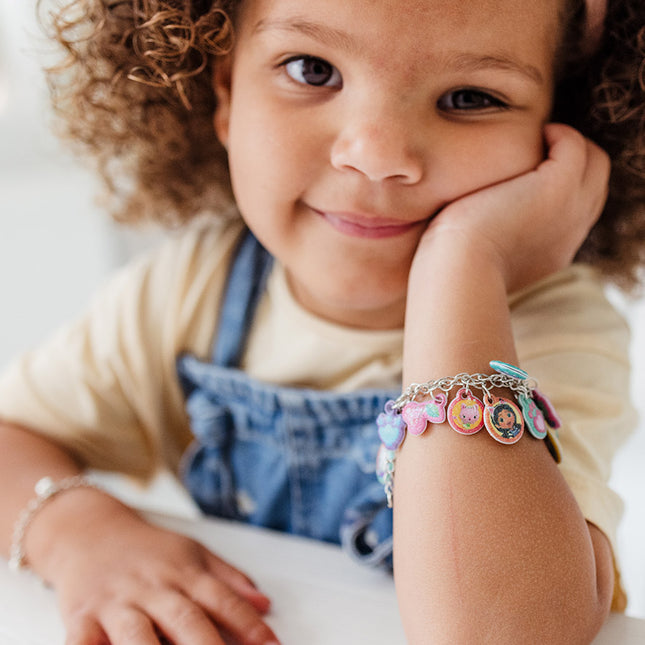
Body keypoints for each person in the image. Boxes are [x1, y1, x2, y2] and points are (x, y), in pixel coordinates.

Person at [1, 0, 644, 642]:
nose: (377, 154)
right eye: (312, 70)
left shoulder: (550, 326)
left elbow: (498, 634)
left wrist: (464, 264)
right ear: (225, 93)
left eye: (471, 98)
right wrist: (76, 531)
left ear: (560, 128)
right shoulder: (195, 288)